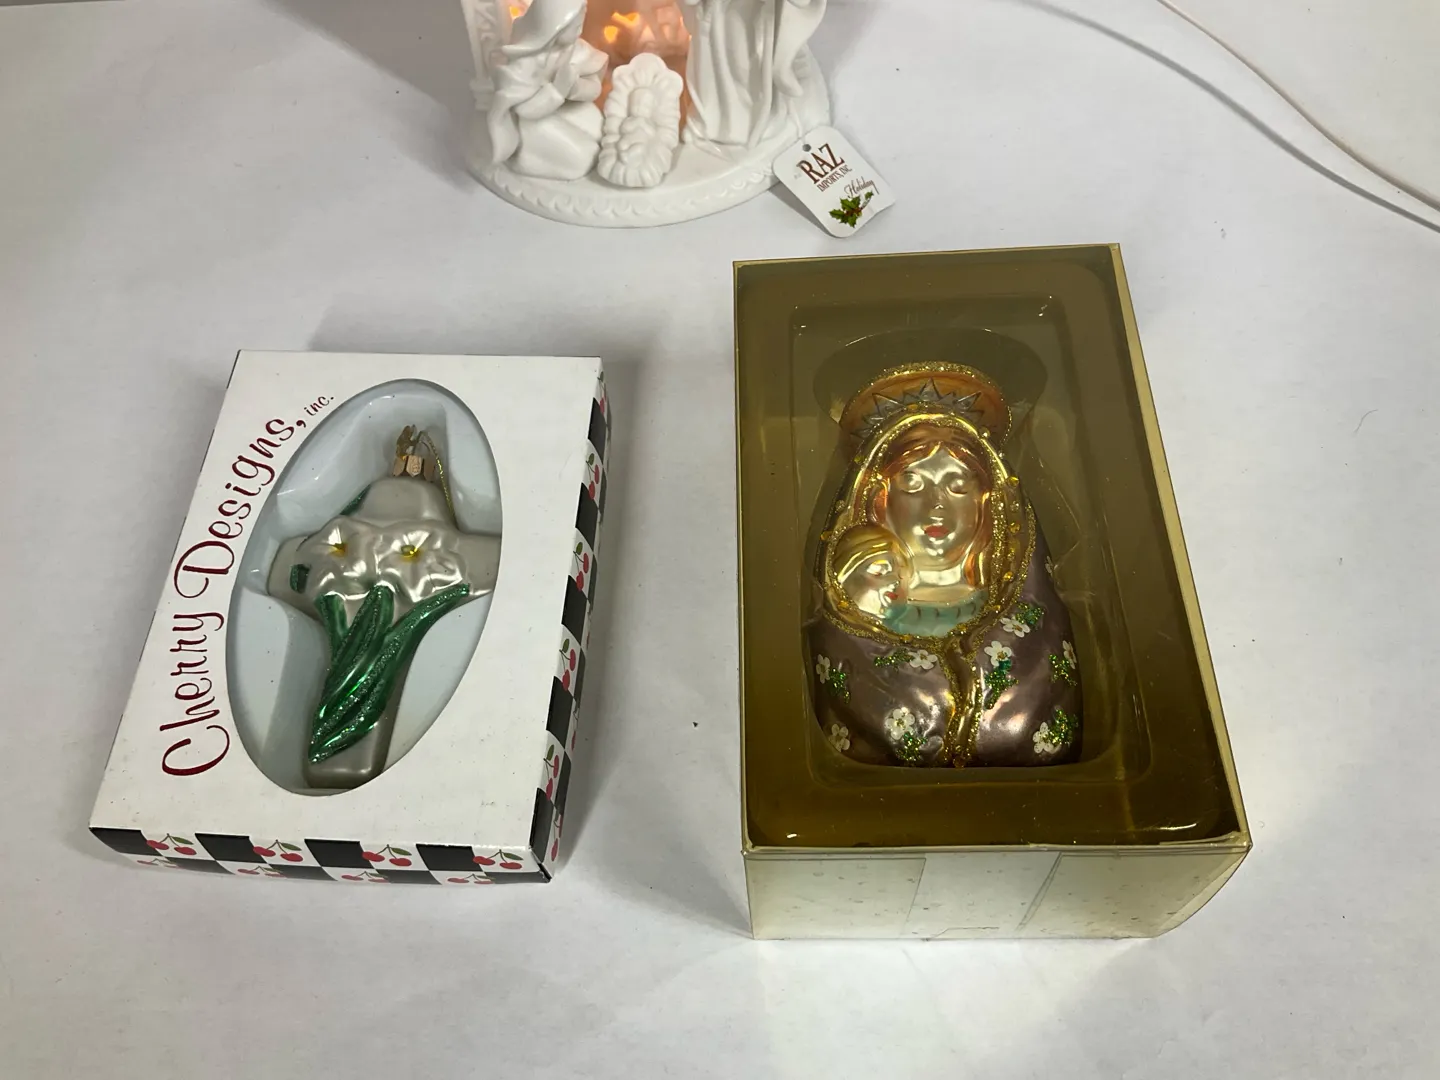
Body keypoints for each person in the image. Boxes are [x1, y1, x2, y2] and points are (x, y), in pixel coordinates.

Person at [808, 364, 1083, 767]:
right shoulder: (852, 614)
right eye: (913, 483)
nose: (936, 505)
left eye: (958, 485)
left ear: (990, 506)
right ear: (878, 500)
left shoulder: (1030, 619)